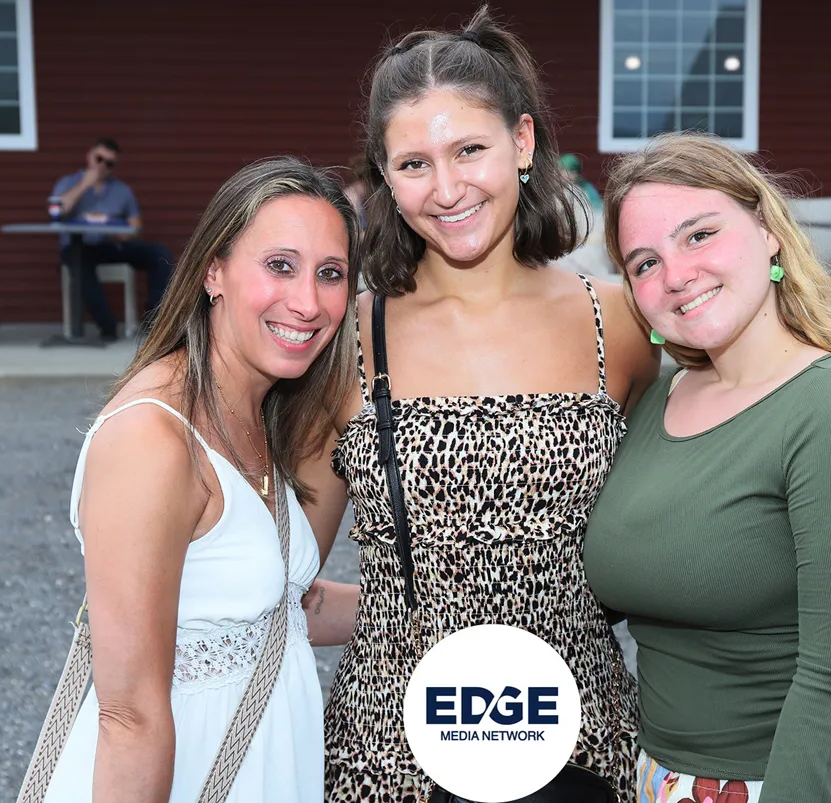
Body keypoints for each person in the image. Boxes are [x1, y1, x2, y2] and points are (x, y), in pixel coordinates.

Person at [297, 6, 658, 800]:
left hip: (580, 746)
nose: (448, 188)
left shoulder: (621, 323)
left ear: (522, 142)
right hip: (393, 757)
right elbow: (283, 576)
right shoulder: (348, 342)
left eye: (469, 149)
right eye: (414, 163)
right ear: (385, 176)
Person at [583, 132, 831, 802]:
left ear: (768, 232)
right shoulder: (658, 400)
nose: (676, 275)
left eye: (700, 235)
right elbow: (629, 575)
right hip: (666, 777)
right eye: (645, 262)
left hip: (808, 780)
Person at [42, 157, 362, 803]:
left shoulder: (261, 410)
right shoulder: (153, 438)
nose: (307, 302)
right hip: (187, 773)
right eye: (280, 265)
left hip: (263, 765)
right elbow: (129, 718)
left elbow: (276, 609)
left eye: (330, 273)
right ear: (213, 270)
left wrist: (443, 611)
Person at [52, 137, 174, 339]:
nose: (102, 166)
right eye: (99, 159)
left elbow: (136, 226)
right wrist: (85, 184)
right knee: (78, 260)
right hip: (79, 246)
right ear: (89, 156)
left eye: (109, 163)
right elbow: (58, 211)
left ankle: (155, 318)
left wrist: (121, 233)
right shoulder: (68, 183)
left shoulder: (121, 190)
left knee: (159, 253)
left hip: (111, 244)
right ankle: (107, 325)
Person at [554, 153, 618, 280]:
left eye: (562, 171)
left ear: (573, 173)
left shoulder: (572, 192)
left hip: (585, 249)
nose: (558, 175)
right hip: (594, 247)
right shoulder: (586, 189)